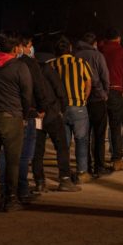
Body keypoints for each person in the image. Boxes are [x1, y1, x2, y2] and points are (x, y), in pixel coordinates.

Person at [0, 31, 33, 212]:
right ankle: (10, 199)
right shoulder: (19, 67)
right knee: (12, 161)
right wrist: (25, 115)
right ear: (15, 47)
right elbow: (27, 95)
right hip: (12, 117)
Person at [0, 34, 48, 203]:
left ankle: (5, 189)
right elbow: (35, 89)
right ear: (18, 47)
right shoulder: (26, 64)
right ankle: (22, 189)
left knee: (5, 154)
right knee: (24, 154)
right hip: (24, 114)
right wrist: (40, 108)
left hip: (0, 115)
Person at [32, 36, 80, 192]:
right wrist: (62, 109)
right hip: (52, 114)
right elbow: (60, 90)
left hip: (36, 116)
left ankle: (39, 181)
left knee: (37, 150)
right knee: (61, 147)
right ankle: (65, 179)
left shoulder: (25, 69)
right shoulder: (47, 69)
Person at [50, 36, 92, 183]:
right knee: (81, 140)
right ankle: (82, 172)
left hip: (60, 109)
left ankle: (65, 173)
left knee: (64, 144)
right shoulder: (80, 63)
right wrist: (84, 98)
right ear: (70, 49)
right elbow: (88, 82)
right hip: (78, 106)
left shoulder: (52, 65)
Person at [73, 33, 113, 178]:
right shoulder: (97, 56)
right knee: (99, 134)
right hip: (97, 99)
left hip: (81, 99)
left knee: (83, 136)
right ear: (94, 43)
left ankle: (85, 167)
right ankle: (99, 166)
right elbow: (105, 76)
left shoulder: (75, 55)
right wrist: (105, 93)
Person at [98, 28, 123, 171]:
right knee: (116, 127)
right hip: (116, 91)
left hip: (99, 92)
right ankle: (117, 160)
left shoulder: (100, 50)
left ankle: (97, 160)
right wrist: (120, 89)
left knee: (98, 128)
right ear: (118, 38)